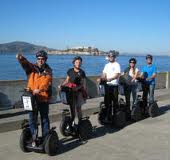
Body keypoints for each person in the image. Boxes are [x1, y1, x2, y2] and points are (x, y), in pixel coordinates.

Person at [16, 50, 52, 146]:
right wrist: (21, 58)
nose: (40, 60)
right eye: (39, 59)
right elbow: (25, 64)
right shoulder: (32, 68)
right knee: (32, 119)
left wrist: (39, 89)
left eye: (42, 59)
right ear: (37, 59)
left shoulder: (48, 71)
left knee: (44, 118)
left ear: (45, 60)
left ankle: (46, 138)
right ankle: (34, 137)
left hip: (43, 98)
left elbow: (47, 83)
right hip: (31, 98)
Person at [59, 56, 87, 122]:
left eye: (80, 62)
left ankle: (80, 122)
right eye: (76, 62)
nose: (78, 64)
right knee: (72, 107)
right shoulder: (70, 71)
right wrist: (62, 85)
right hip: (70, 91)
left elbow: (83, 84)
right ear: (74, 63)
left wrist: (77, 88)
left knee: (78, 108)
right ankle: (72, 121)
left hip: (79, 92)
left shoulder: (82, 72)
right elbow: (67, 80)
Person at [98, 50, 121, 122]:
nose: (111, 57)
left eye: (112, 56)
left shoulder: (117, 64)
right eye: (109, 56)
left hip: (114, 86)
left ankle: (115, 117)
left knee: (115, 102)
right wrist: (101, 78)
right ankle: (108, 116)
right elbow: (104, 74)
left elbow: (117, 75)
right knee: (107, 102)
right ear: (108, 57)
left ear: (114, 57)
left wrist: (110, 79)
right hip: (107, 86)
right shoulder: (106, 65)